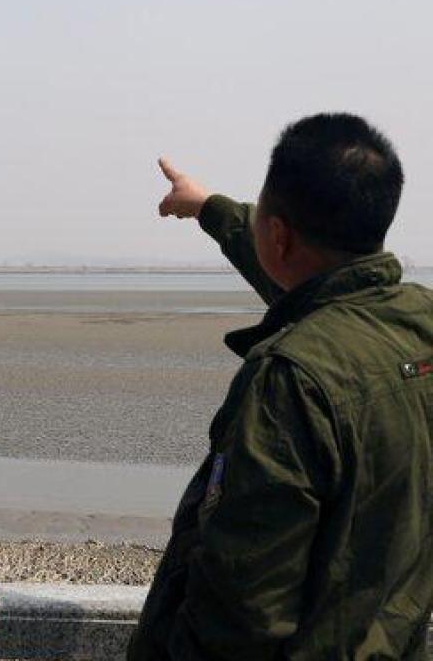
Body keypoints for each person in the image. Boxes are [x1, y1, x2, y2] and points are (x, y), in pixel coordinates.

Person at [132, 113, 433, 660]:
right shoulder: (418, 322)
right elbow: (311, 283)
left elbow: (241, 609)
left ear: (279, 235)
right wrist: (207, 206)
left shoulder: (290, 382)